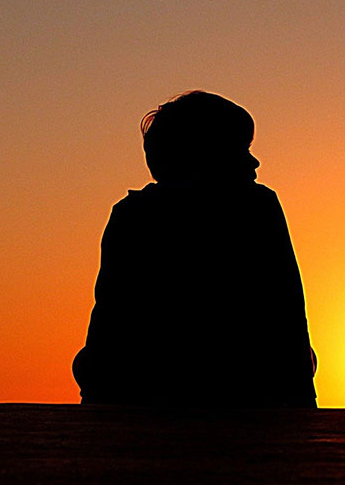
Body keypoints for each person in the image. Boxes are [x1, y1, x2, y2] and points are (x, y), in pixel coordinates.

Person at [73, 91, 317, 407]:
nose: (254, 161)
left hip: (146, 383)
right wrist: (302, 406)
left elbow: (109, 317)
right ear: (207, 155)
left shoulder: (132, 213)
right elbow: (287, 315)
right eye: (241, 150)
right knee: (307, 358)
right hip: (240, 384)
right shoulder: (257, 206)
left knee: (86, 360)